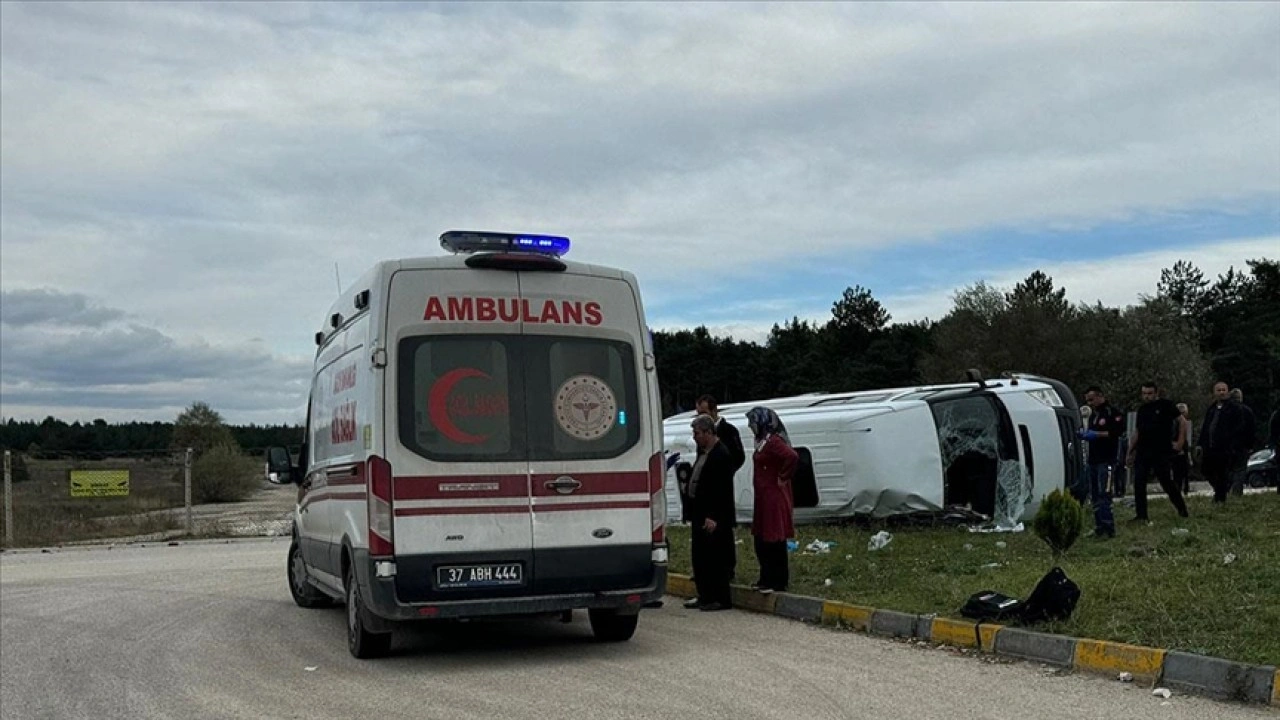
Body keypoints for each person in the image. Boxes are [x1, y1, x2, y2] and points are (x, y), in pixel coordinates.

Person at [683, 414, 737, 612]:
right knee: (701, 557)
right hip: (699, 511)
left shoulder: (721, 455)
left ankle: (720, 598)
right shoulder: (704, 452)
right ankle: (704, 595)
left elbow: (721, 490)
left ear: (708, 432)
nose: (695, 437)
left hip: (714, 516)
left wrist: (713, 515)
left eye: (697, 433)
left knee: (716, 558)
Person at [745, 406, 798, 594]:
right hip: (763, 496)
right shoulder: (762, 441)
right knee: (761, 539)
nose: (751, 426)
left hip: (773, 496)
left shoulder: (774, 441)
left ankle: (778, 580)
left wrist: (783, 476)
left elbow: (792, 456)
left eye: (753, 422)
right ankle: (765, 577)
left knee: (774, 538)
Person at [695, 394, 745, 581]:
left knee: (723, 533)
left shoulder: (728, 431)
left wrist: (724, 473)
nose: (701, 416)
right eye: (698, 413)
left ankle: (727, 570)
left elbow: (738, 456)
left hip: (721, 490)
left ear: (714, 411)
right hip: (706, 492)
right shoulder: (700, 434)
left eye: (704, 412)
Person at [1126, 381, 1189, 521]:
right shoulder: (1142, 410)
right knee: (1139, 482)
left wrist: (1180, 442)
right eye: (1144, 394)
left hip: (1161, 450)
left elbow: (1182, 421)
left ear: (1156, 393)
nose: (1147, 396)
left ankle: (1182, 509)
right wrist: (1130, 451)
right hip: (1143, 450)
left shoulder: (1166, 405)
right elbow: (1138, 431)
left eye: (1150, 393)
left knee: (1166, 481)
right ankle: (1141, 515)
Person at [1080, 386, 1123, 538]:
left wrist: (1096, 434)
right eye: (1087, 401)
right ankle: (1099, 526)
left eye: (1091, 399)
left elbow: (1116, 432)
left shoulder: (1112, 412)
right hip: (1094, 459)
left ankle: (1108, 527)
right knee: (1095, 495)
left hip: (1107, 459)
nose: (1090, 403)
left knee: (1105, 494)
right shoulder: (1094, 415)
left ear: (1100, 396)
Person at [1199, 381, 1242, 503]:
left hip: (1225, 447)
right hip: (1210, 447)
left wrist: (1234, 444)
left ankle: (1220, 498)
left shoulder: (1234, 408)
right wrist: (1200, 444)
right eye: (1219, 390)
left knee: (1222, 472)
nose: (1222, 392)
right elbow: (1206, 427)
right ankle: (1220, 490)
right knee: (1206, 470)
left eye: (1224, 390)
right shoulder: (1211, 409)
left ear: (1227, 392)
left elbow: (1238, 428)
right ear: (1214, 392)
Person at [1229, 388, 1257, 497]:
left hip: (1228, 446)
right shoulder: (1247, 411)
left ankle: (1227, 489)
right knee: (1240, 470)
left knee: (1229, 469)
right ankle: (1237, 492)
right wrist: (1250, 445)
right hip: (1243, 446)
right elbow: (1252, 429)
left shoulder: (1226, 411)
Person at [1174, 403, 1193, 495]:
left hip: (1183, 448)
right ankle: (1180, 488)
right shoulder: (1177, 423)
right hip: (1179, 448)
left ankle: (1184, 488)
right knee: (1179, 471)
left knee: (1183, 471)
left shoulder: (1185, 422)